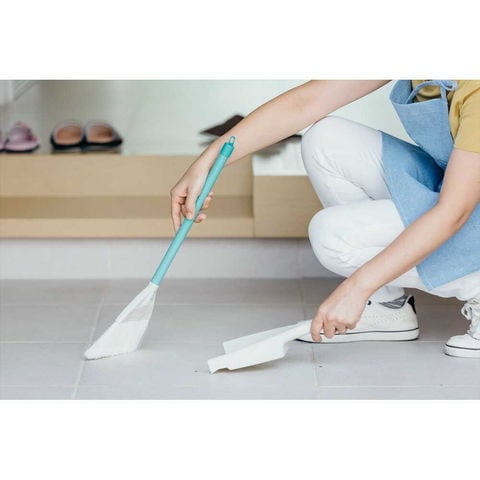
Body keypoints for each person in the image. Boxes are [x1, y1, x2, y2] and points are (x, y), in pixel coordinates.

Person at [170, 80, 480, 358]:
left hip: (462, 206)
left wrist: (358, 286)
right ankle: (387, 308)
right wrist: (208, 162)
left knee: (332, 235)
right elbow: (305, 102)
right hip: (461, 187)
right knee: (325, 138)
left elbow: (454, 212)